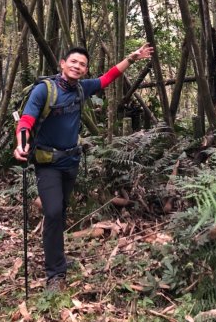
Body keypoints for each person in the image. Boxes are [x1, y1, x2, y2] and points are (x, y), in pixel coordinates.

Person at [14, 43, 153, 291]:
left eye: (82, 64)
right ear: (63, 64)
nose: (78, 67)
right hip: (47, 163)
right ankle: (55, 274)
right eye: (74, 62)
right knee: (54, 212)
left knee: (61, 210)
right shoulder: (44, 90)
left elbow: (108, 77)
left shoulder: (82, 88)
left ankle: (57, 256)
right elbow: (27, 119)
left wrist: (131, 58)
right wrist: (21, 144)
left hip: (71, 161)